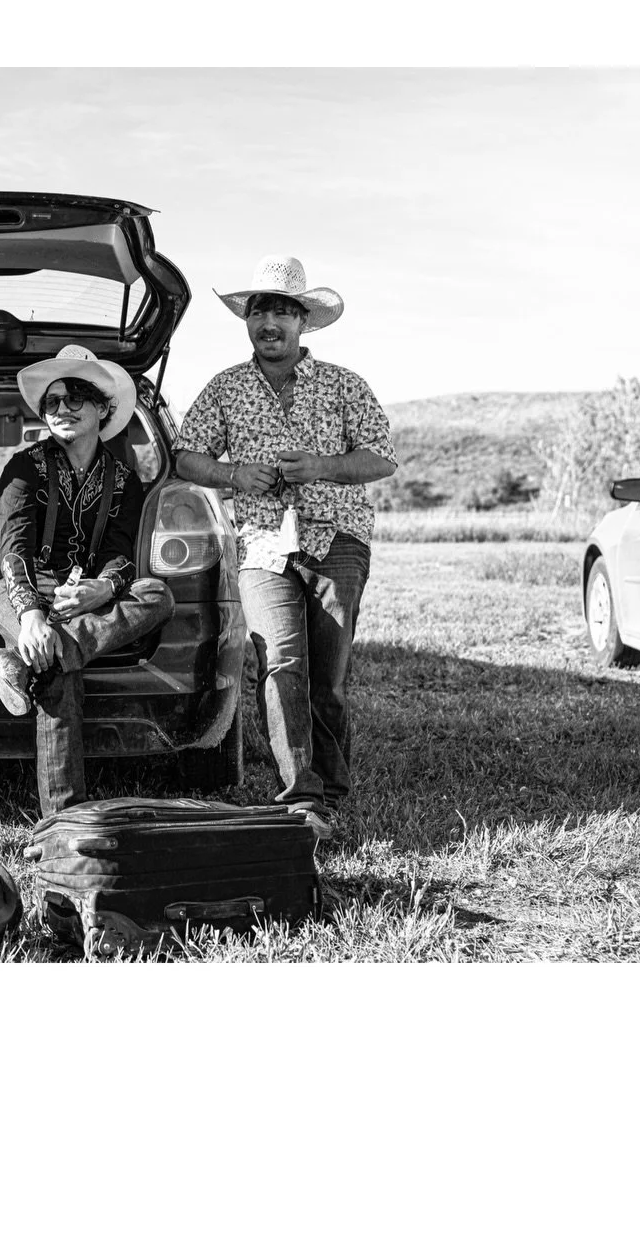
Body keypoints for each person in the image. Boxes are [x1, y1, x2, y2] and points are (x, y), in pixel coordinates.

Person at [173, 256, 397, 841]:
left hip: (338, 537)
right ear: (247, 321)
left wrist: (322, 466)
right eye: (258, 312)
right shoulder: (225, 387)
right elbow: (185, 456)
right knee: (279, 661)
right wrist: (234, 475)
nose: (268, 323)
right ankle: (301, 798)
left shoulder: (344, 384)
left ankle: (333, 786)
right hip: (261, 544)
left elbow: (381, 458)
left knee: (329, 674)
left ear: (303, 321)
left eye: (281, 312)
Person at [0, 345, 175, 816]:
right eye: (52, 401)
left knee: (158, 594)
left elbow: (120, 552)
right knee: (55, 670)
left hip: (84, 594)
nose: (61, 409)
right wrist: (31, 617)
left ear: (103, 408)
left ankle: (21, 660)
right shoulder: (23, 467)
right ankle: (65, 819)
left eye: (75, 398)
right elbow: (12, 551)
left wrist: (101, 589)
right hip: (15, 588)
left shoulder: (124, 479)